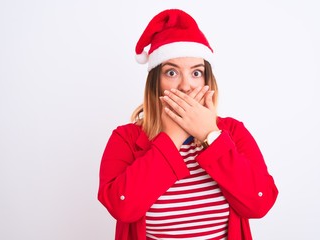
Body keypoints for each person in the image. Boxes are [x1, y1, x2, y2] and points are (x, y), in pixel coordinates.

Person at [98, 9, 278, 240]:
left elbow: (259, 203)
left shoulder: (232, 132)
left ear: (207, 80)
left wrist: (209, 135)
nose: (186, 86)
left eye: (196, 73)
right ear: (155, 83)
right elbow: (122, 208)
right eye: (171, 72)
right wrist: (172, 137)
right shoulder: (126, 138)